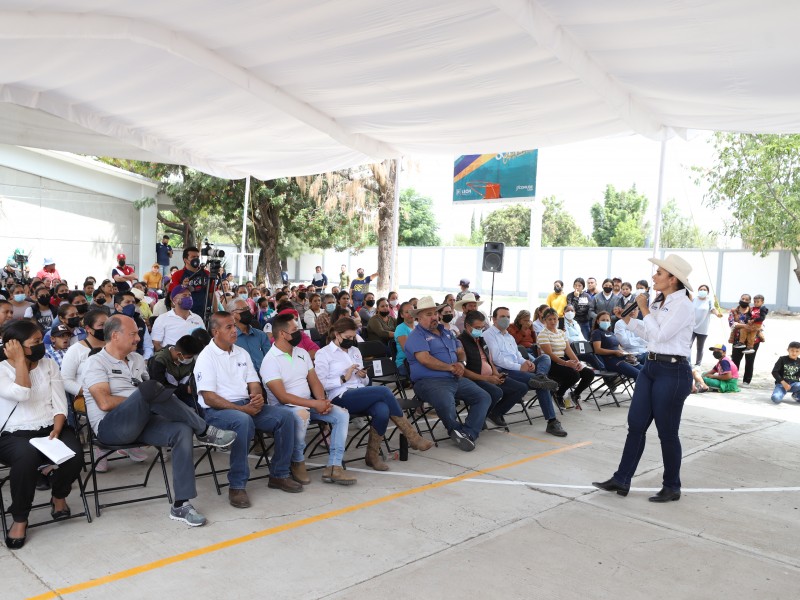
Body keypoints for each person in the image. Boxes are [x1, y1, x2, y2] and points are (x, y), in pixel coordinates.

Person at [82, 315, 237, 525]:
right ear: (115, 336)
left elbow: (155, 396)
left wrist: (150, 399)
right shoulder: (95, 362)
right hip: (111, 427)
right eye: (133, 333)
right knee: (150, 390)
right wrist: (142, 398)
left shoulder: (137, 360)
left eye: (138, 333)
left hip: (143, 420)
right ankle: (205, 430)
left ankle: (181, 505)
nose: (138, 338)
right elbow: (105, 403)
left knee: (181, 430)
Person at [593, 254, 695, 503]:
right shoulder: (662, 302)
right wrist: (629, 319)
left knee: (667, 432)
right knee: (636, 425)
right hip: (651, 367)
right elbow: (649, 334)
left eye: (659, 273)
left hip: (673, 371)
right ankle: (621, 478)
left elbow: (661, 335)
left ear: (673, 279)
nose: (653, 276)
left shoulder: (683, 304)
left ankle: (672, 486)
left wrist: (644, 308)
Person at [194, 312, 301, 507]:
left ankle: (279, 474)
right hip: (216, 412)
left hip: (245, 405)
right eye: (228, 327)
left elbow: (253, 381)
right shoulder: (206, 357)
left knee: (285, 416)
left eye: (234, 326)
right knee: (242, 421)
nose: (234, 330)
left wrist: (257, 396)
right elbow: (209, 397)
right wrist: (243, 410)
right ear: (215, 331)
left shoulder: (241, 352)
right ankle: (237, 485)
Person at [0, 320, 84, 549]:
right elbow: (21, 393)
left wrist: (57, 428)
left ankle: (59, 495)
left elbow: (59, 403)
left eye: (41, 339)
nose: (42, 346)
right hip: (13, 434)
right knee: (26, 459)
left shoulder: (48, 365)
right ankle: (20, 517)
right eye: (36, 342)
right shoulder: (1, 369)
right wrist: (19, 361)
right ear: (15, 346)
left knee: (75, 454)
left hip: (49, 427)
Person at [316, 317, 432, 471]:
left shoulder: (355, 351)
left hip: (360, 392)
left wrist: (363, 376)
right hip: (339, 396)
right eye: (347, 337)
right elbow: (321, 383)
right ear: (337, 334)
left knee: (382, 410)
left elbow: (365, 382)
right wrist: (344, 377)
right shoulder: (323, 353)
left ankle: (372, 456)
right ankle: (412, 436)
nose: (351, 340)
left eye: (353, 337)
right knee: (384, 391)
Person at [261, 313, 355, 485]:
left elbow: (314, 381)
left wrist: (323, 402)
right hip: (284, 409)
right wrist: (315, 403)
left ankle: (334, 466)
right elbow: (282, 397)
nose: (300, 333)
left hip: (308, 403)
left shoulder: (302, 353)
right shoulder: (270, 360)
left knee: (341, 414)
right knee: (302, 414)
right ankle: (297, 460)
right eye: (295, 329)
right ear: (282, 334)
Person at [404, 297, 492, 451]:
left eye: (435, 313)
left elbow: (460, 351)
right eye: (428, 314)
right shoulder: (416, 336)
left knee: (483, 397)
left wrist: (461, 363)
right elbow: (425, 359)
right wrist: (451, 367)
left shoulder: (448, 333)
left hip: (454, 378)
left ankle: (468, 433)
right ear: (418, 317)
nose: (434, 317)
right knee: (446, 401)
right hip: (429, 381)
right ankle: (455, 429)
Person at [483, 307, 566, 437]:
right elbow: (497, 359)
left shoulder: (509, 337)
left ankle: (540, 375)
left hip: (519, 368)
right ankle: (552, 421)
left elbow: (517, 355)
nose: (506, 319)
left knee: (545, 358)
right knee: (541, 385)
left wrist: (526, 362)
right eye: (502, 317)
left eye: (508, 317)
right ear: (494, 319)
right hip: (503, 370)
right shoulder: (489, 334)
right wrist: (519, 367)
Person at [458, 311, 528, 428]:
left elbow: (489, 360)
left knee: (521, 388)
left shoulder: (481, 339)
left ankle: (493, 414)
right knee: (496, 392)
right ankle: (476, 419)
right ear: (467, 326)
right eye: (477, 328)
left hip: (490, 376)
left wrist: (496, 374)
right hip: (475, 379)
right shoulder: (460, 341)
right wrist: (487, 378)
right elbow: (463, 370)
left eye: (482, 328)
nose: (480, 330)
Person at [538, 308, 594, 409]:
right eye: (550, 319)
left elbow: (568, 350)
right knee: (574, 375)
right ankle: (558, 394)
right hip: (550, 363)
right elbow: (550, 354)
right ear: (545, 320)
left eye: (555, 319)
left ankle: (575, 394)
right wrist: (565, 363)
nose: (553, 322)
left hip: (563, 360)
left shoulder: (561, 332)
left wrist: (577, 362)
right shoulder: (543, 334)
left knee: (588, 373)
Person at [148, 335, 203, 408]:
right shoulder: (159, 361)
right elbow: (159, 388)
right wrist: (185, 389)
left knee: (201, 407)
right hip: (166, 397)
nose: (191, 359)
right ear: (179, 354)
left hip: (185, 396)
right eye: (189, 357)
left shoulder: (191, 361)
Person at [150, 286, 205, 352]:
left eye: (189, 295)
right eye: (184, 295)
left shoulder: (197, 318)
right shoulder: (162, 319)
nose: (188, 298)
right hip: (172, 360)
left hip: (194, 358)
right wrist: (168, 357)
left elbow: (203, 340)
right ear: (174, 300)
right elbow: (156, 344)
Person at [590, 312, 642, 380]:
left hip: (622, 358)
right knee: (639, 374)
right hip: (610, 361)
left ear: (610, 322)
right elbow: (597, 350)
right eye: (603, 320)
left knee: (645, 371)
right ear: (597, 321)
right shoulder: (596, 332)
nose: (605, 322)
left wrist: (627, 354)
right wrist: (614, 352)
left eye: (607, 320)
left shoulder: (611, 333)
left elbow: (618, 347)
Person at [169, 247, 216, 318]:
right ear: (185, 260)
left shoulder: (207, 273)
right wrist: (182, 287)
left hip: (205, 313)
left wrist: (216, 313)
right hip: (186, 314)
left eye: (197, 257)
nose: (196, 259)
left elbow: (212, 294)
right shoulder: (178, 275)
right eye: (193, 257)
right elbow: (172, 297)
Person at [228, 298, 272, 371]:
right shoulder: (229, 339)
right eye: (243, 309)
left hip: (265, 377)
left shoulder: (261, 335)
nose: (247, 311)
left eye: (248, 308)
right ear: (232, 314)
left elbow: (270, 358)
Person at [728, 294, 759, 385]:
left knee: (750, 361)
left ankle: (746, 381)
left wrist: (748, 326)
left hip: (753, 341)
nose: (744, 301)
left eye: (746, 299)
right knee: (735, 360)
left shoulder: (754, 311)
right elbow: (732, 324)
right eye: (743, 299)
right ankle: (733, 379)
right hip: (738, 340)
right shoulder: (734, 311)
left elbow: (759, 323)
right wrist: (745, 326)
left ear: (749, 302)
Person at [691, 284, 722, 366]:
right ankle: (687, 362)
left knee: (700, 348)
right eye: (701, 289)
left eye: (704, 290)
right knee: (688, 345)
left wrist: (717, 314)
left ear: (708, 292)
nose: (702, 291)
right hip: (691, 327)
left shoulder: (709, 300)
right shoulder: (694, 299)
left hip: (703, 329)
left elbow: (713, 309)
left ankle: (698, 364)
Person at [393, 301, 415, 377]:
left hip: (417, 361)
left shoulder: (419, 326)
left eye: (412, 311)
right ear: (402, 315)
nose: (410, 314)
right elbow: (407, 349)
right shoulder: (401, 328)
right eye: (407, 312)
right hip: (404, 364)